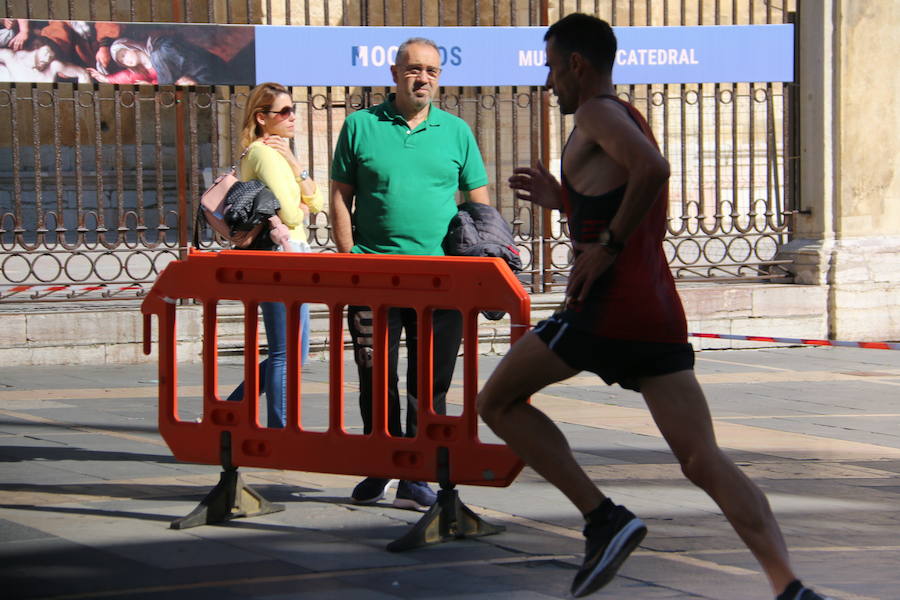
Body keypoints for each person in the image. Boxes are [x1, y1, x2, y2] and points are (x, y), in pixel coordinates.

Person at [476, 14, 831, 600]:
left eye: (551, 67)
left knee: (497, 401)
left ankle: (603, 519)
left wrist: (607, 246)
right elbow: (622, 190)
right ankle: (789, 585)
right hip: (655, 309)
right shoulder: (625, 116)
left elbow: (654, 171)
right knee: (701, 458)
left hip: (607, 306)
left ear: (577, 65)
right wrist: (562, 198)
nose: (548, 83)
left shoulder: (596, 112)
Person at [330, 37, 491, 510]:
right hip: (373, 278)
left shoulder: (457, 131)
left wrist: (480, 264)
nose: (423, 78)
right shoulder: (360, 126)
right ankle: (382, 463)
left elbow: (479, 207)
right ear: (394, 72)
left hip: (440, 282)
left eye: (432, 72)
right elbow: (340, 196)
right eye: (414, 69)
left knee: (431, 382)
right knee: (375, 377)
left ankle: (417, 472)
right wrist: (348, 257)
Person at [226, 82, 324, 428]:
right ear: (261, 118)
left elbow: (315, 201)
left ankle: (230, 412)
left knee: (294, 352)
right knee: (285, 353)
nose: (292, 116)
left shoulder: (280, 154)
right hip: (276, 260)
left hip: (290, 256)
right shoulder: (263, 154)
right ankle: (279, 430)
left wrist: (297, 166)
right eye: (284, 112)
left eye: (293, 109)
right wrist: (299, 200)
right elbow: (296, 214)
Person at [0, 37, 89, 83]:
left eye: (51, 57)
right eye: (46, 53)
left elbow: (83, 73)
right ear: (37, 47)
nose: (47, 59)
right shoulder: (12, 57)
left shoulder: (54, 66)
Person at [87, 38, 158, 84]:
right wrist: (105, 78)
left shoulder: (158, 54)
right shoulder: (139, 71)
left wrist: (151, 85)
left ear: (131, 46)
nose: (125, 61)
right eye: (122, 61)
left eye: (123, 55)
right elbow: (124, 77)